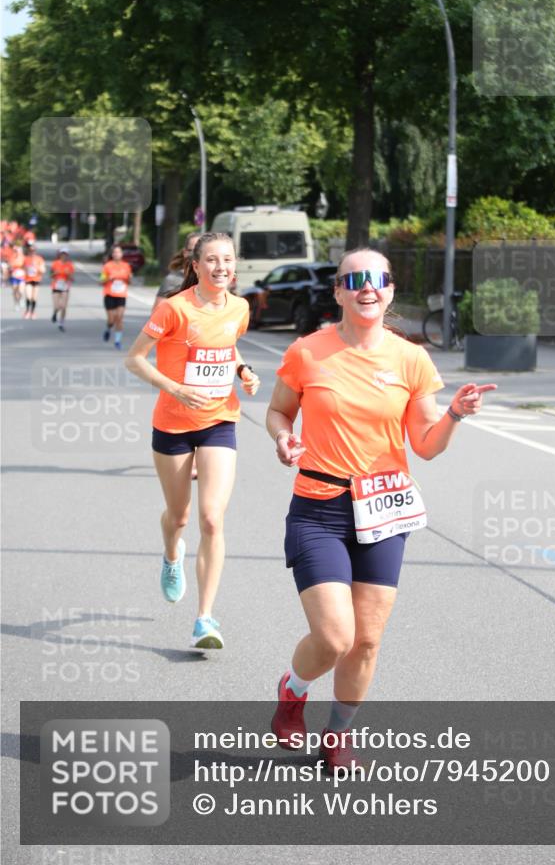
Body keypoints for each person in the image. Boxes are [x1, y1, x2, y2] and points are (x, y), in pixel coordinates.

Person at [266, 247, 496, 772]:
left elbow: (427, 444)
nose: (367, 288)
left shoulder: (410, 358)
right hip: (319, 507)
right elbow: (279, 411)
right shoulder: (308, 351)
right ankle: (293, 689)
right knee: (334, 636)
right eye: (355, 279)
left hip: (383, 510)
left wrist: (455, 415)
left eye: (378, 279)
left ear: (390, 290)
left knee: (366, 641)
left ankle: (338, 735)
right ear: (339, 291)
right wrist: (284, 439)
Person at [125, 232, 260, 649]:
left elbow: (230, 348)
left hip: (220, 419)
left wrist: (243, 372)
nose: (222, 267)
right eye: (213, 260)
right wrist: (175, 388)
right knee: (179, 516)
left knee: (212, 518)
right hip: (173, 423)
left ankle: (205, 619)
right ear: (196, 265)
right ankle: (171, 555)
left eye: (229, 260)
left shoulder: (239, 307)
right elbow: (134, 359)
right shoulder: (174, 309)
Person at [153, 231, 200, 311]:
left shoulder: (215, 282)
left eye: (200, 251)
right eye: (192, 251)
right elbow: (157, 313)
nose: (196, 255)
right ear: (185, 253)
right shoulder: (173, 280)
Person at [100, 244, 132, 349]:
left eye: (119, 252)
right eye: (115, 252)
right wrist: (109, 278)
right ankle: (108, 328)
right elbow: (101, 281)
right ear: (112, 254)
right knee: (111, 320)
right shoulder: (107, 266)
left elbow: (129, 281)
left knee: (119, 318)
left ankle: (117, 341)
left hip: (121, 295)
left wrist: (129, 278)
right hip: (109, 295)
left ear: (122, 254)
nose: (117, 254)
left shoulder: (126, 266)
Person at [50, 247, 75, 331]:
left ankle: (61, 322)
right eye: (62, 254)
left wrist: (69, 275)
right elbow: (50, 275)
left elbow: (72, 279)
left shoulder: (70, 265)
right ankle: (55, 313)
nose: (64, 256)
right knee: (57, 306)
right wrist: (55, 273)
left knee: (64, 306)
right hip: (56, 286)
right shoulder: (55, 264)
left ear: (67, 256)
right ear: (60, 255)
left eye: (65, 254)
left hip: (65, 286)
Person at [23, 241, 46, 319]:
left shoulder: (39, 259)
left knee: (34, 297)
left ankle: (32, 312)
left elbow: (43, 270)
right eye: (30, 250)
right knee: (28, 296)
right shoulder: (26, 258)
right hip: (28, 280)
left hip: (36, 280)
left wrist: (38, 268)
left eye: (33, 250)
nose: (32, 251)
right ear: (28, 250)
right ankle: (27, 311)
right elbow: (22, 268)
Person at [8, 242, 26, 312]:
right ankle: (16, 304)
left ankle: (21, 299)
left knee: (21, 291)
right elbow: (9, 266)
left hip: (21, 276)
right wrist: (11, 270)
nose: (17, 251)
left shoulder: (23, 257)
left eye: (18, 250)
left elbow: (26, 266)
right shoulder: (11, 257)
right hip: (14, 276)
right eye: (15, 250)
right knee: (15, 291)